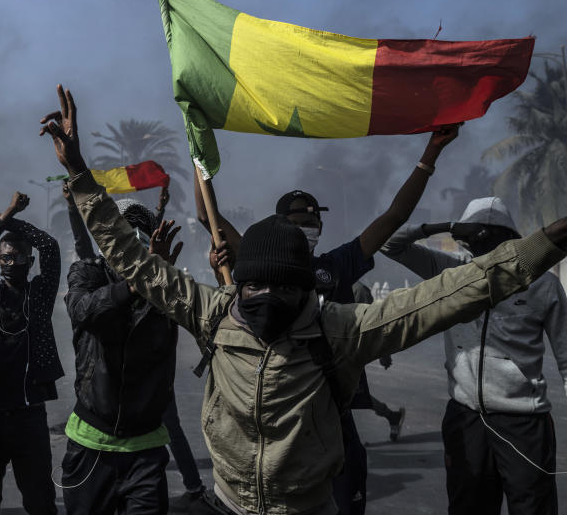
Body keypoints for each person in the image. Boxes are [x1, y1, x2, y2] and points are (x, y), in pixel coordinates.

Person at [39, 84, 567, 515]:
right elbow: (130, 259)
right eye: (253, 285)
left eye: (282, 286)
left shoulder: (344, 327)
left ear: (305, 284)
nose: (265, 296)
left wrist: (547, 242)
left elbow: (459, 289)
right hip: (229, 504)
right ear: (239, 282)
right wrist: (79, 173)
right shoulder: (215, 313)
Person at [198, 125, 459, 515]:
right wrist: (197, 150)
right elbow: (207, 214)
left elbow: (395, 216)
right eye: (299, 218)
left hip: (332, 415)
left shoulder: (334, 266)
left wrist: (430, 154)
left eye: (313, 218)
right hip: (276, 411)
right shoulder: (259, 266)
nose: (309, 225)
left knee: (348, 493)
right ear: (280, 225)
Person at [381, 196, 567, 514]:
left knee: (533, 507)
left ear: (507, 237)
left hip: (524, 423)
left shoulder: (543, 284)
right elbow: (389, 244)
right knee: (468, 505)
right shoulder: (452, 270)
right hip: (464, 417)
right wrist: (442, 226)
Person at [62, 182, 207, 510]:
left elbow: (199, 313)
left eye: (142, 233)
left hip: (145, 446)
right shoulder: (88, 273)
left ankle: (194, 484)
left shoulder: (164, 282)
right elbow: (83, 310)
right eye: (126, 232)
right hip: (91, 442)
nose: (134, 240)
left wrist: (161, 276)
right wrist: (134, 284)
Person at [0, 191, 64, 515]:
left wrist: (15, 220)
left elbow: (49, 246)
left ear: (29, 262)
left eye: (17, 258)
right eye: (4, 258)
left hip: (28, 414)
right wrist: (3, 216)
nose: (9, 264)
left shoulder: (39, 295)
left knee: (39, 501)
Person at [351, 282, 405, 442]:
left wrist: (384, 354)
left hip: (350, 355)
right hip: (334, 353)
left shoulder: (358, 290)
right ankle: (392, 416)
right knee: (350, 398)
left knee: (352, 397)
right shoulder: (325, 281)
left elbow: (374, 324)